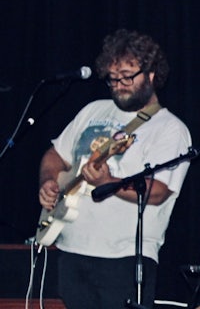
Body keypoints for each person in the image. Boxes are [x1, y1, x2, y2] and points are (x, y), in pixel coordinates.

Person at [38, 29, 191, 309]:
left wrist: (110, 181)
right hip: (71, 250)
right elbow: (55, 155)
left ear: (152, 75)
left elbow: (158, 192)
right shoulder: (93, 110)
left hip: (123, 258)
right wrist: (49, 181)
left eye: (127, 76)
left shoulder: (170, 129)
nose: (119, 84)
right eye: (112, 78)